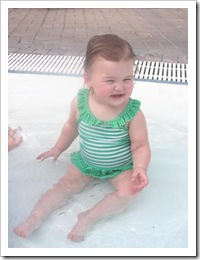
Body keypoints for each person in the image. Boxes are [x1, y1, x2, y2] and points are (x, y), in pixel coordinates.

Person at [14, 34, 151, 242]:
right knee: (63, 186)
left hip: (121, 168)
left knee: (130, 191)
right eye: (110, 80)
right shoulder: (80, 103)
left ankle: (89, 217)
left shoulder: (133, 113)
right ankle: (36, 216)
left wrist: (140, 168)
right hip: (86, 163)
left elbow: (140, 145)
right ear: (88, 79)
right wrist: (58, 148)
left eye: (127, 79)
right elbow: (70, 127)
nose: (120, 87)